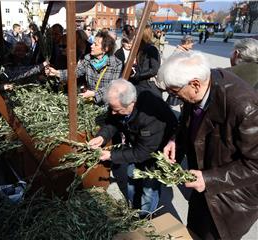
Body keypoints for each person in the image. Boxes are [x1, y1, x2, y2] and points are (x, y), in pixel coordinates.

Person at [158, 51, 258, 239]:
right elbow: (189, 121)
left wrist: (210, 179)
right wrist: (175, 140)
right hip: (202, 187)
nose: (174, 97)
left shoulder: (245, 107)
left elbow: (255, 164)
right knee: (194, 232)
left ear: (195, 84)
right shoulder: (199, 87)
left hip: (231, 200)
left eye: (175, 92)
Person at [88, 79, 177, 213]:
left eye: (116, 109)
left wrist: (111, 155)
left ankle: (145, 217)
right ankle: (133, 208)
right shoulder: (120, 102)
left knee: (149, 188)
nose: (113, 112)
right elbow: (113, 121)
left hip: (157, 152)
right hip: (139, 144)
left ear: (131, 104)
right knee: (131, 176)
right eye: (111, 108)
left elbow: (143, 152)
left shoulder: (150, 117)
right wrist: (102, 136)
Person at [45, 31, 122, 105]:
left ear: (105, 49)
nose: (91, 46)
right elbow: (75, 72)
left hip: (106, 104)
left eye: (96, 44)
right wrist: (56, 73)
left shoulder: (116, 64)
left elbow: (113, 87)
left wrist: (94, 94)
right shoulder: (88, 58)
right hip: (90, 104)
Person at [130, 25, 161, 97]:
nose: (135, 37)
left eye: (136, 34)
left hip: (147, 86)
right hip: (138, 83)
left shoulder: (152, 49)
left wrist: (138, 75)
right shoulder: (140, 48)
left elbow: (154, 70)